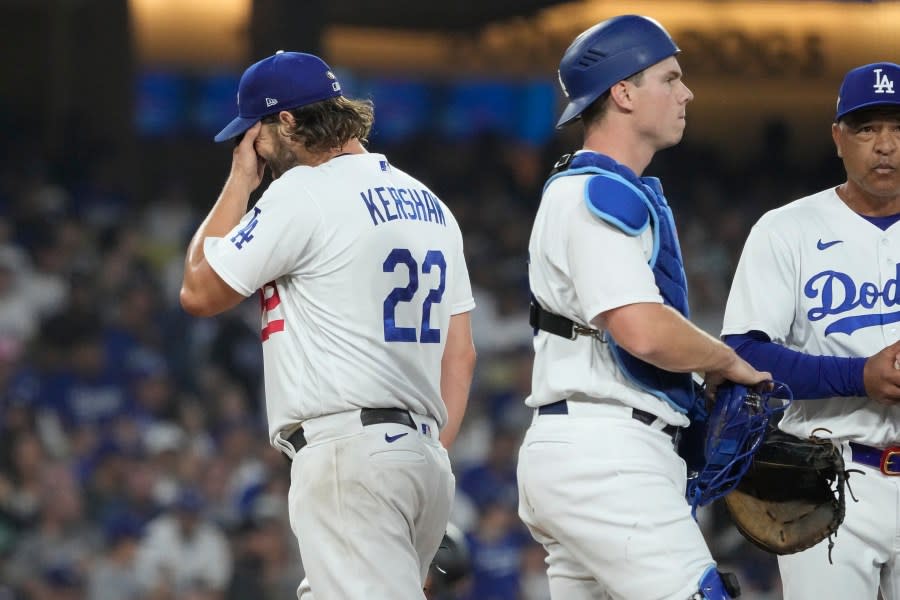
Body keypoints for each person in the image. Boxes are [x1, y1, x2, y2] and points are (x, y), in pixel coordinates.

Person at [179, 50, 477, 599]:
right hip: (423, 460)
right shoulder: (431, 204)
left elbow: (198, 290)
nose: (253, 147)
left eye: (255, 134)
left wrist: (241, 182)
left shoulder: (304, 191)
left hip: (350, 453)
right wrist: (428, 448)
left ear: (286, 122)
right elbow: (461, 356)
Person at [517, 15, 771, 600]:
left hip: (589, 446)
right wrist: (724, 362)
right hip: (607, 453)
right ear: (623, 92)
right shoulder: (594, 192)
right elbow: (641, 329)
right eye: (670, 78)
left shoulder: (588, 188)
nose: (687, 94)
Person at [721, 61, 900, 599]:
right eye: (867, 128)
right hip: (832, 483)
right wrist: (859, 376)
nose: (885, 145)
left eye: (898, 128)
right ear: (837, 138)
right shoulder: (787, 230)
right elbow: (744, 355)